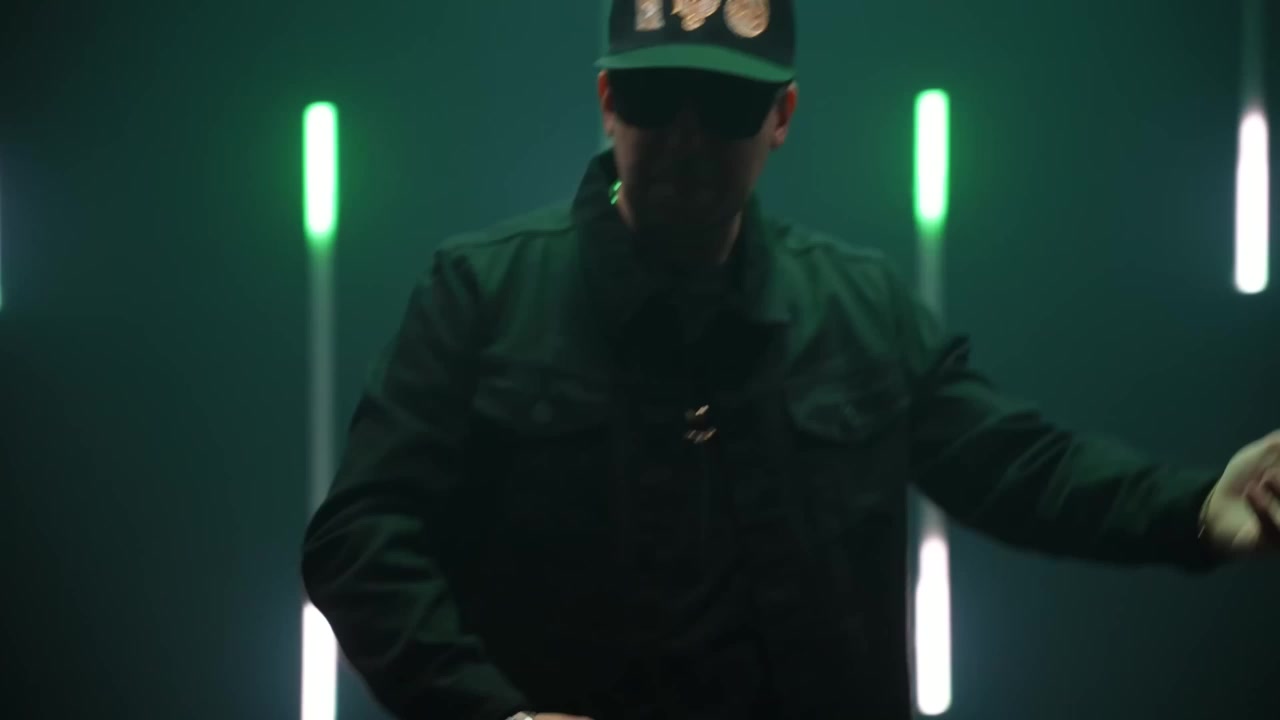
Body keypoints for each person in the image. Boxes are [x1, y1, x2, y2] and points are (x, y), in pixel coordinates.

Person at [300, 1, 1280, 718]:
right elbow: (359, 538)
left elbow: (1018, 466)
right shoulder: (483, 293)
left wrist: (1198, 507)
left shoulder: (858, 310)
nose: (686, 135)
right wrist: (492, 715)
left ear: (781, 117)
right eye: (656, 95)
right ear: (608, 102)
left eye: (726, 104)